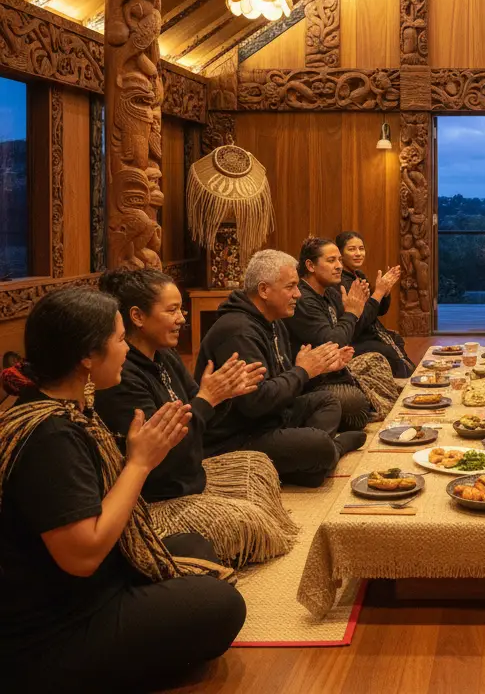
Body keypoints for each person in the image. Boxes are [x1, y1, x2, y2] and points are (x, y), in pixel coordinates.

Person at [0, 288, 245, 690]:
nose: (126, 350)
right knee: (222, 606)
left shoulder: (60, 405)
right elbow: (83, 556)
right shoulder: (50, 435)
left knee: (195, 548)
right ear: (86, 357)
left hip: (86, 589)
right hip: (54, 632)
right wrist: (139, 463)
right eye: (118, 340)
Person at [94, 267, 299, 565]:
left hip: (191, 471)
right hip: (159, 495)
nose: (182, 318)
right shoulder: (122, 377)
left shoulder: (163, 354)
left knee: (258, 465)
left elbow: (203, 412)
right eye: (173, 310)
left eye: (182, 309)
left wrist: (224, 395)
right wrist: (207, 399)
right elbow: (162, 455)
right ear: (138, 317)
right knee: (244, 522)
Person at [195, 249, 367, 487]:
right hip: (238, 436)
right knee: (319, 444)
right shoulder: (238, 331)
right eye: (291, 287)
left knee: (328, 401)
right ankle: (326, 453)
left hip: (271, 418)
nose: (298, 294)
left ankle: (311, 464)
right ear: (264, 290)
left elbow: (286, 384)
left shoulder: (274, 323)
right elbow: (256, 403)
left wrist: (319, 370)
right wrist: (303, 370)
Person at [288, 236, 402, 417]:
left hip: (339, 363)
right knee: (354, 402)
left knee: (377, 359)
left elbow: (349, 329)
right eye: (331, 260)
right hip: (315, 378)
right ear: (310, 266)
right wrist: (353, 312)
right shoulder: (303, 300)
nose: (339, 266)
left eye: (340, 260)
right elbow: (335, 341)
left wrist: (371, 300)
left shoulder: (331, 292)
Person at [336, 230, 414, 378]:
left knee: (395, 339)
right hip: (354, 336)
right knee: (387, 349)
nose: (358, 253)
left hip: (367, 330)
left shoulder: (359, 275)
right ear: (341, 254)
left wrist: (385, 292)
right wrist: (378, 292)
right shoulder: (341, 283)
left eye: (361, 248)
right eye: (352, 249)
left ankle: (413, 380)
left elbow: (378, 311)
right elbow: (362, 319)